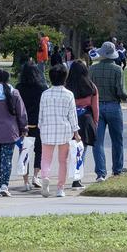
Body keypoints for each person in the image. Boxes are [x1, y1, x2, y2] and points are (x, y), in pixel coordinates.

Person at [38, 66, 80, 198]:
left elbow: (41, 114)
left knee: (46, 159)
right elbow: (72, 115)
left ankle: (45, 177)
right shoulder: (69, 95)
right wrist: (76, 132)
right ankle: (60, 188)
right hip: (64, 130)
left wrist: (41, 126)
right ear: (65, 78)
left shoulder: (45, 94)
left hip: (47, 129)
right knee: (63, 161)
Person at [90, 42, 126, 182]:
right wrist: (125, 97)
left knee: (97, 141)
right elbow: (120, 91)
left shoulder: (92, 69)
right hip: (113, 105)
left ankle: (100, 173)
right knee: (117, 140)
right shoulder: (118, 70)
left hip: (97, 106)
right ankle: (117, 169)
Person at [65, 61, 99, 188]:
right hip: (85, 120)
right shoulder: (91, 87)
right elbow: (95, 107)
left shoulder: (67, 87)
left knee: (68, 150)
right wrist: (95, 122)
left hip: (69, 120)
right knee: (81, 150)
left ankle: (67, 175)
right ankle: (77, 178)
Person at [15, 61, 47, 191]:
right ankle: (36, 176)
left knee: (24, 152)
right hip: (39, 123)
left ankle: (25, 181)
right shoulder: (42, 87)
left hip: (23, 125)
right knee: (40, 151)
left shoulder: (19, 87)